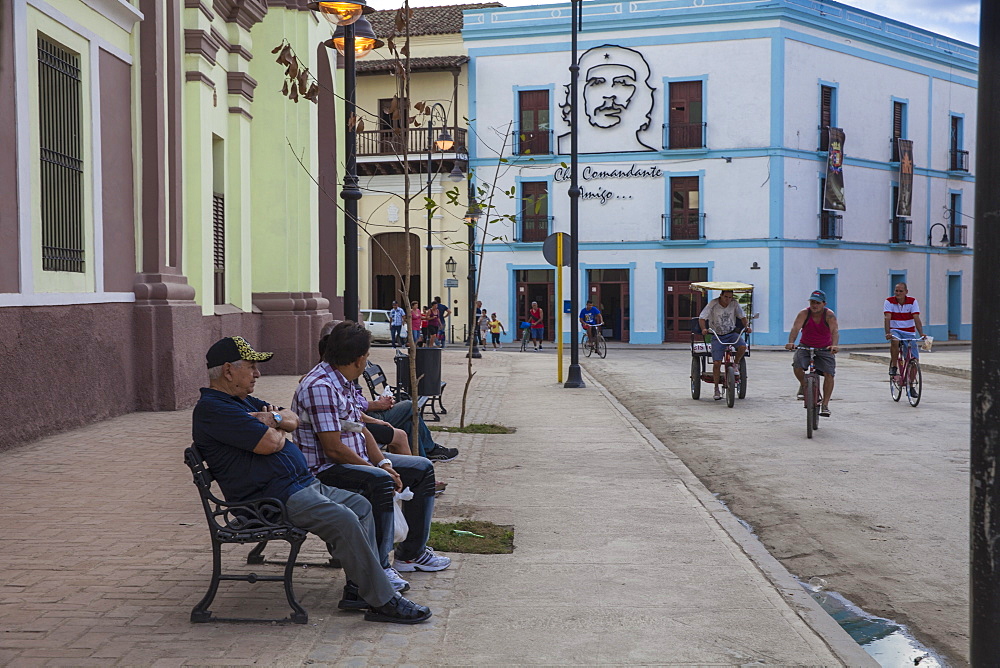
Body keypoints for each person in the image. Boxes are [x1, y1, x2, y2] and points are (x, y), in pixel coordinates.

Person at [192, 336, 431, 623]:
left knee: (360, 505)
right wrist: (276, 427)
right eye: (252, 367)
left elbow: (292, 419)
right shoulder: (215, 409)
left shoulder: (242, 401)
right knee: (344, 518)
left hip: (298, 484)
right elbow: (270, 443)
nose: (257, 373)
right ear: (229, 370)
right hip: (270, 499)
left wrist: (274, 420)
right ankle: (384, 600)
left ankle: (358, 588)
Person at [292, 322, 452, 585]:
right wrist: (378, 471)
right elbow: (333, 449)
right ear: (358, 360)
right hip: (326, 470)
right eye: (367, 356)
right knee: (379, 482)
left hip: (353, 461)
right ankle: (379, 567)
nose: (367, 361)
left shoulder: (341, 380)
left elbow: (361, 430)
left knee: (421, 468)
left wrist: (384, 462)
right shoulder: (319, 386)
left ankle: (411, 555)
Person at [785, 290, 839, 417]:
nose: (814, 305)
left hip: (825, 348)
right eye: (812, 302)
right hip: (805, 346)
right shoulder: (804, 313)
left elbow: (835, 331)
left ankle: (825, 405)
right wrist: (791, 342)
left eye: (818, 303)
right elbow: (795, 328)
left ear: (824, 304)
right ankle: (804, 385)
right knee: (797, 365)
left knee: (829, 374)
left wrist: (834, 345)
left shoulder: (829, 315)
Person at [698, 290, 750, 401]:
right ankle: (716, 388)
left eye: (730, 297)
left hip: (731, 333)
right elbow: (702, 317)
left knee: (742, 346)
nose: (728, 299)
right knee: (717, 362)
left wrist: (747, 326)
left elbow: (743, 317)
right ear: (721, 296)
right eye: (725, 297)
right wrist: (704, 329)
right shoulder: (713, 303)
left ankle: (735, 364)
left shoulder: (734, 303)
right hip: (717, 335)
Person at [884, 282, 924, 376]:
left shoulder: (912, 301)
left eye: (901, 291)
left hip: (909, 332)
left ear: (906, 292)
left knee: (914, 360)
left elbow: (916, 318)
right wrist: (887, 333)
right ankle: (894, 366)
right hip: (895, 330)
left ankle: (912, 386)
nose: (898, 293)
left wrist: (921, 333)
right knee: (895, 341)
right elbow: (887, 318)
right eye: (896, 291)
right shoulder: (889, 301)